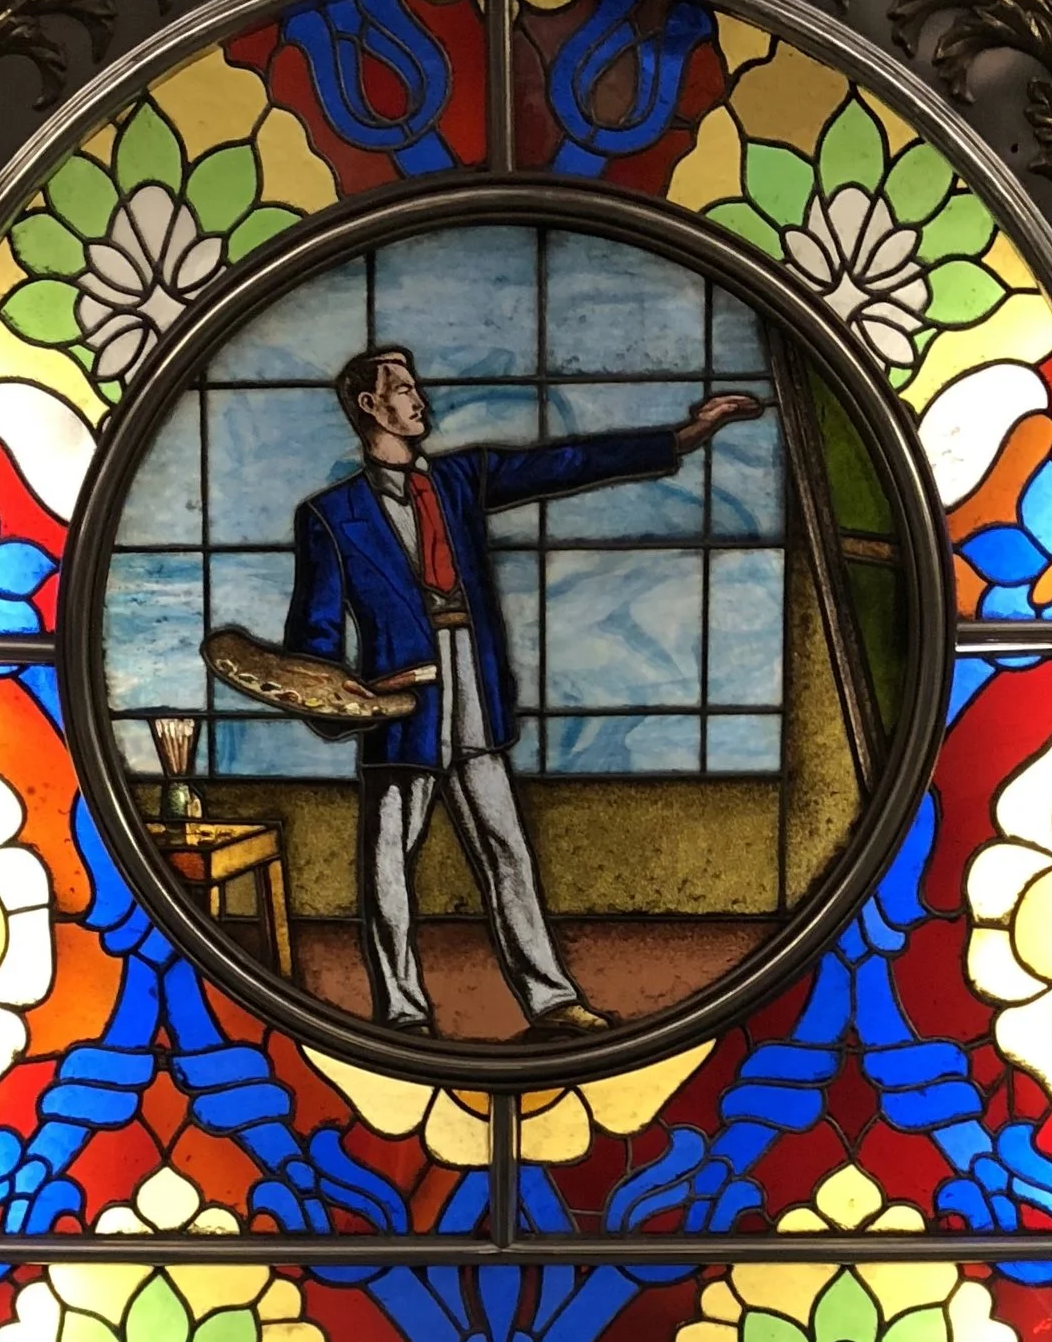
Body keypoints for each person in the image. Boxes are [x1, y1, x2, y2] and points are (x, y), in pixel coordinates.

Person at [285, 343, 763, 1035]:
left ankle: (551, 999)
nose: (422, 400)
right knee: (389, 862)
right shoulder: (331, 516)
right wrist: (349, 699)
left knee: (507, 846)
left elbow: (564, 465)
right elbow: (315, 635)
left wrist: (683, 437)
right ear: (370, 407)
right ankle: (401, 1010)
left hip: (474, 687)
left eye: (417, 387)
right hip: (402, 708)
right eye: (405, 389)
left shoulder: (458, 480)